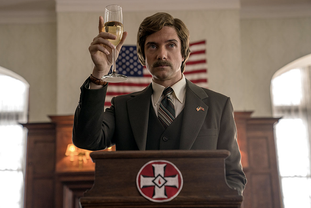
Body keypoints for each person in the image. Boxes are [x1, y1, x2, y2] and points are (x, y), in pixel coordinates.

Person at [73, 12, 246, 195]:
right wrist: (99, 73)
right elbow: (87, 139)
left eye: (171, 45)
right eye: (152, 46)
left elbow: (233, 176)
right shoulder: (123, 107)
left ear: (184, 54)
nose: (161, 54)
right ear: (142, 56)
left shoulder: (219, 105)